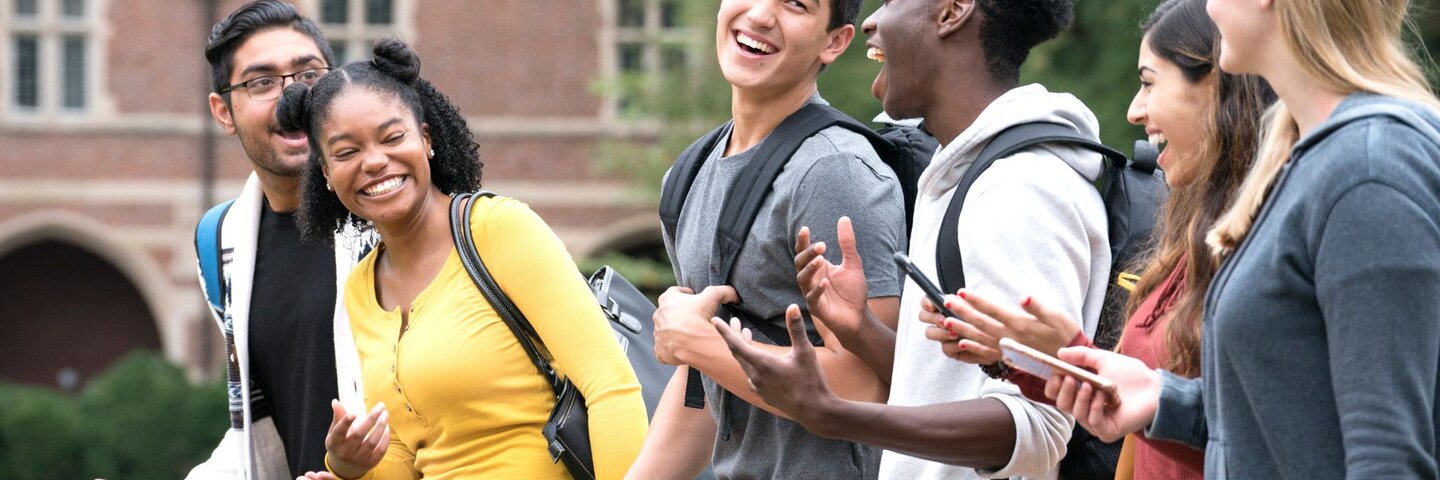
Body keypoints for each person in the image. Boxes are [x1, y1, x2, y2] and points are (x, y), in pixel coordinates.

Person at [713, 0, 1114, 478]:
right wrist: (859, 329)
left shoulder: (1018, 186)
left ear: (952, 11)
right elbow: (951, 387)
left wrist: (832, 414)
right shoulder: (961, 172)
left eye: (891, 1)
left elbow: (1036, 428)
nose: (871, 21)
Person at [1044, 0, 1440, 477]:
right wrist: (1162, 401)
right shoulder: (1317, 161)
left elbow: (1386, 459)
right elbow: (1301, 435)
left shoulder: (1368, 170)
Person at [914, 0, 1275, 478]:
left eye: (1148, 83)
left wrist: (837, 414)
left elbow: (1268, 437)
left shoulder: (1272, 243)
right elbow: (1133, 417)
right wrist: (1025, 357)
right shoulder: (1192, 243)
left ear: (1215, 85)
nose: (1133, 111)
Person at [277, 39, 648, 479]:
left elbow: (611, 387)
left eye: (393, 137)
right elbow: (408, 452)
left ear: (426, 139)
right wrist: (347, 467)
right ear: (325, 174)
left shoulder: (497, 229)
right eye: (346, 152)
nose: (374, 161)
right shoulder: (361, 287)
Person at [626, 0, 908, 477]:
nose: (759, 15)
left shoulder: (832, 170)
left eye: (795, 4)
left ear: (835, 42)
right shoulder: (688, 174)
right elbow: (703, 386)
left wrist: (699, 345)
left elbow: (868, 388)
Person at [187, 2, 369, 479]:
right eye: (261, 82)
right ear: (223, 111)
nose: (293, 98)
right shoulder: (220, 243)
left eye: (309, 75)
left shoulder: (393, 216)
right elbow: (258, 430)